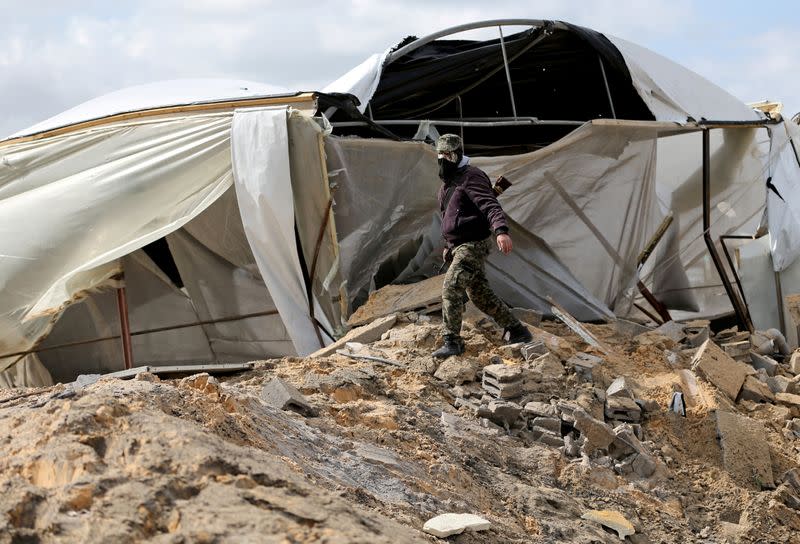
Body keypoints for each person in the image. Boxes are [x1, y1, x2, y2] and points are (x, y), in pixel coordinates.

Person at [432, 133, 533, 359]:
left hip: (473, 244)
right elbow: (450, 219)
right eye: (440, 155)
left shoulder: (471, 176)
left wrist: (501, 231)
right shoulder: (447, 185)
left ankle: (452, 342)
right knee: (479, 295)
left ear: (457, 155)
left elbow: (490, 205)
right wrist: (449, 245)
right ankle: (517, 330)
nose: (443, 160)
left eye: (447, 155)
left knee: (451, 287)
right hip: (459, 245)